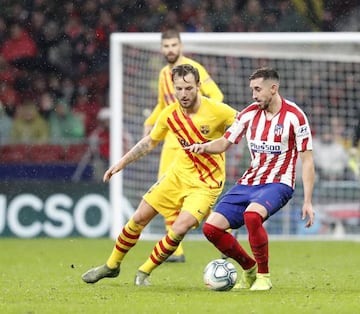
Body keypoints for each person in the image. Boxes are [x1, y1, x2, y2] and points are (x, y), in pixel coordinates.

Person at [81, 64, 237, 286]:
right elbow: (149, 142)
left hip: (206, 184)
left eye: (188, 88)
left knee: (179, 228)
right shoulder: (170, 113)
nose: (183, 94)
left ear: (199, 86)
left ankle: (144, 271)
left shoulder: (218, 111)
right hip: (176, 176)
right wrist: (121, 163)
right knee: (138, 218)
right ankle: (111, 266)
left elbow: (246, 123)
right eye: (179, 88)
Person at [186, 67, 315, 291]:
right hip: (249, 182)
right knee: (211, 228)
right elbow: (225, 143)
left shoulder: (295, 117)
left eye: (258, 89)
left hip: (279, 183)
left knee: (252, 215)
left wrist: (308, 201)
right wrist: (204, 147)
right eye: (252, 90)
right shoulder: (248, 114)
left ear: (273, 88)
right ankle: (249, 269)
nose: (254, 95)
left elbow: (308, 160)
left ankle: (264, 277)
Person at [143, 29, 224, 262]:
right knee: (165, 194)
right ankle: (175, 251)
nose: (170, 50)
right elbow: (162, 105)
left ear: (180, 46)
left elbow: (216, 96)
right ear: (162, 49)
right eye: (166, 46)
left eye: (173, 45)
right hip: (171, 142)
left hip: (194, 142)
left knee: (200, 194)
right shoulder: (162, 75)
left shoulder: (193, 69)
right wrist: (150, 122)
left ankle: (224, 233)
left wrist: (204, 123)